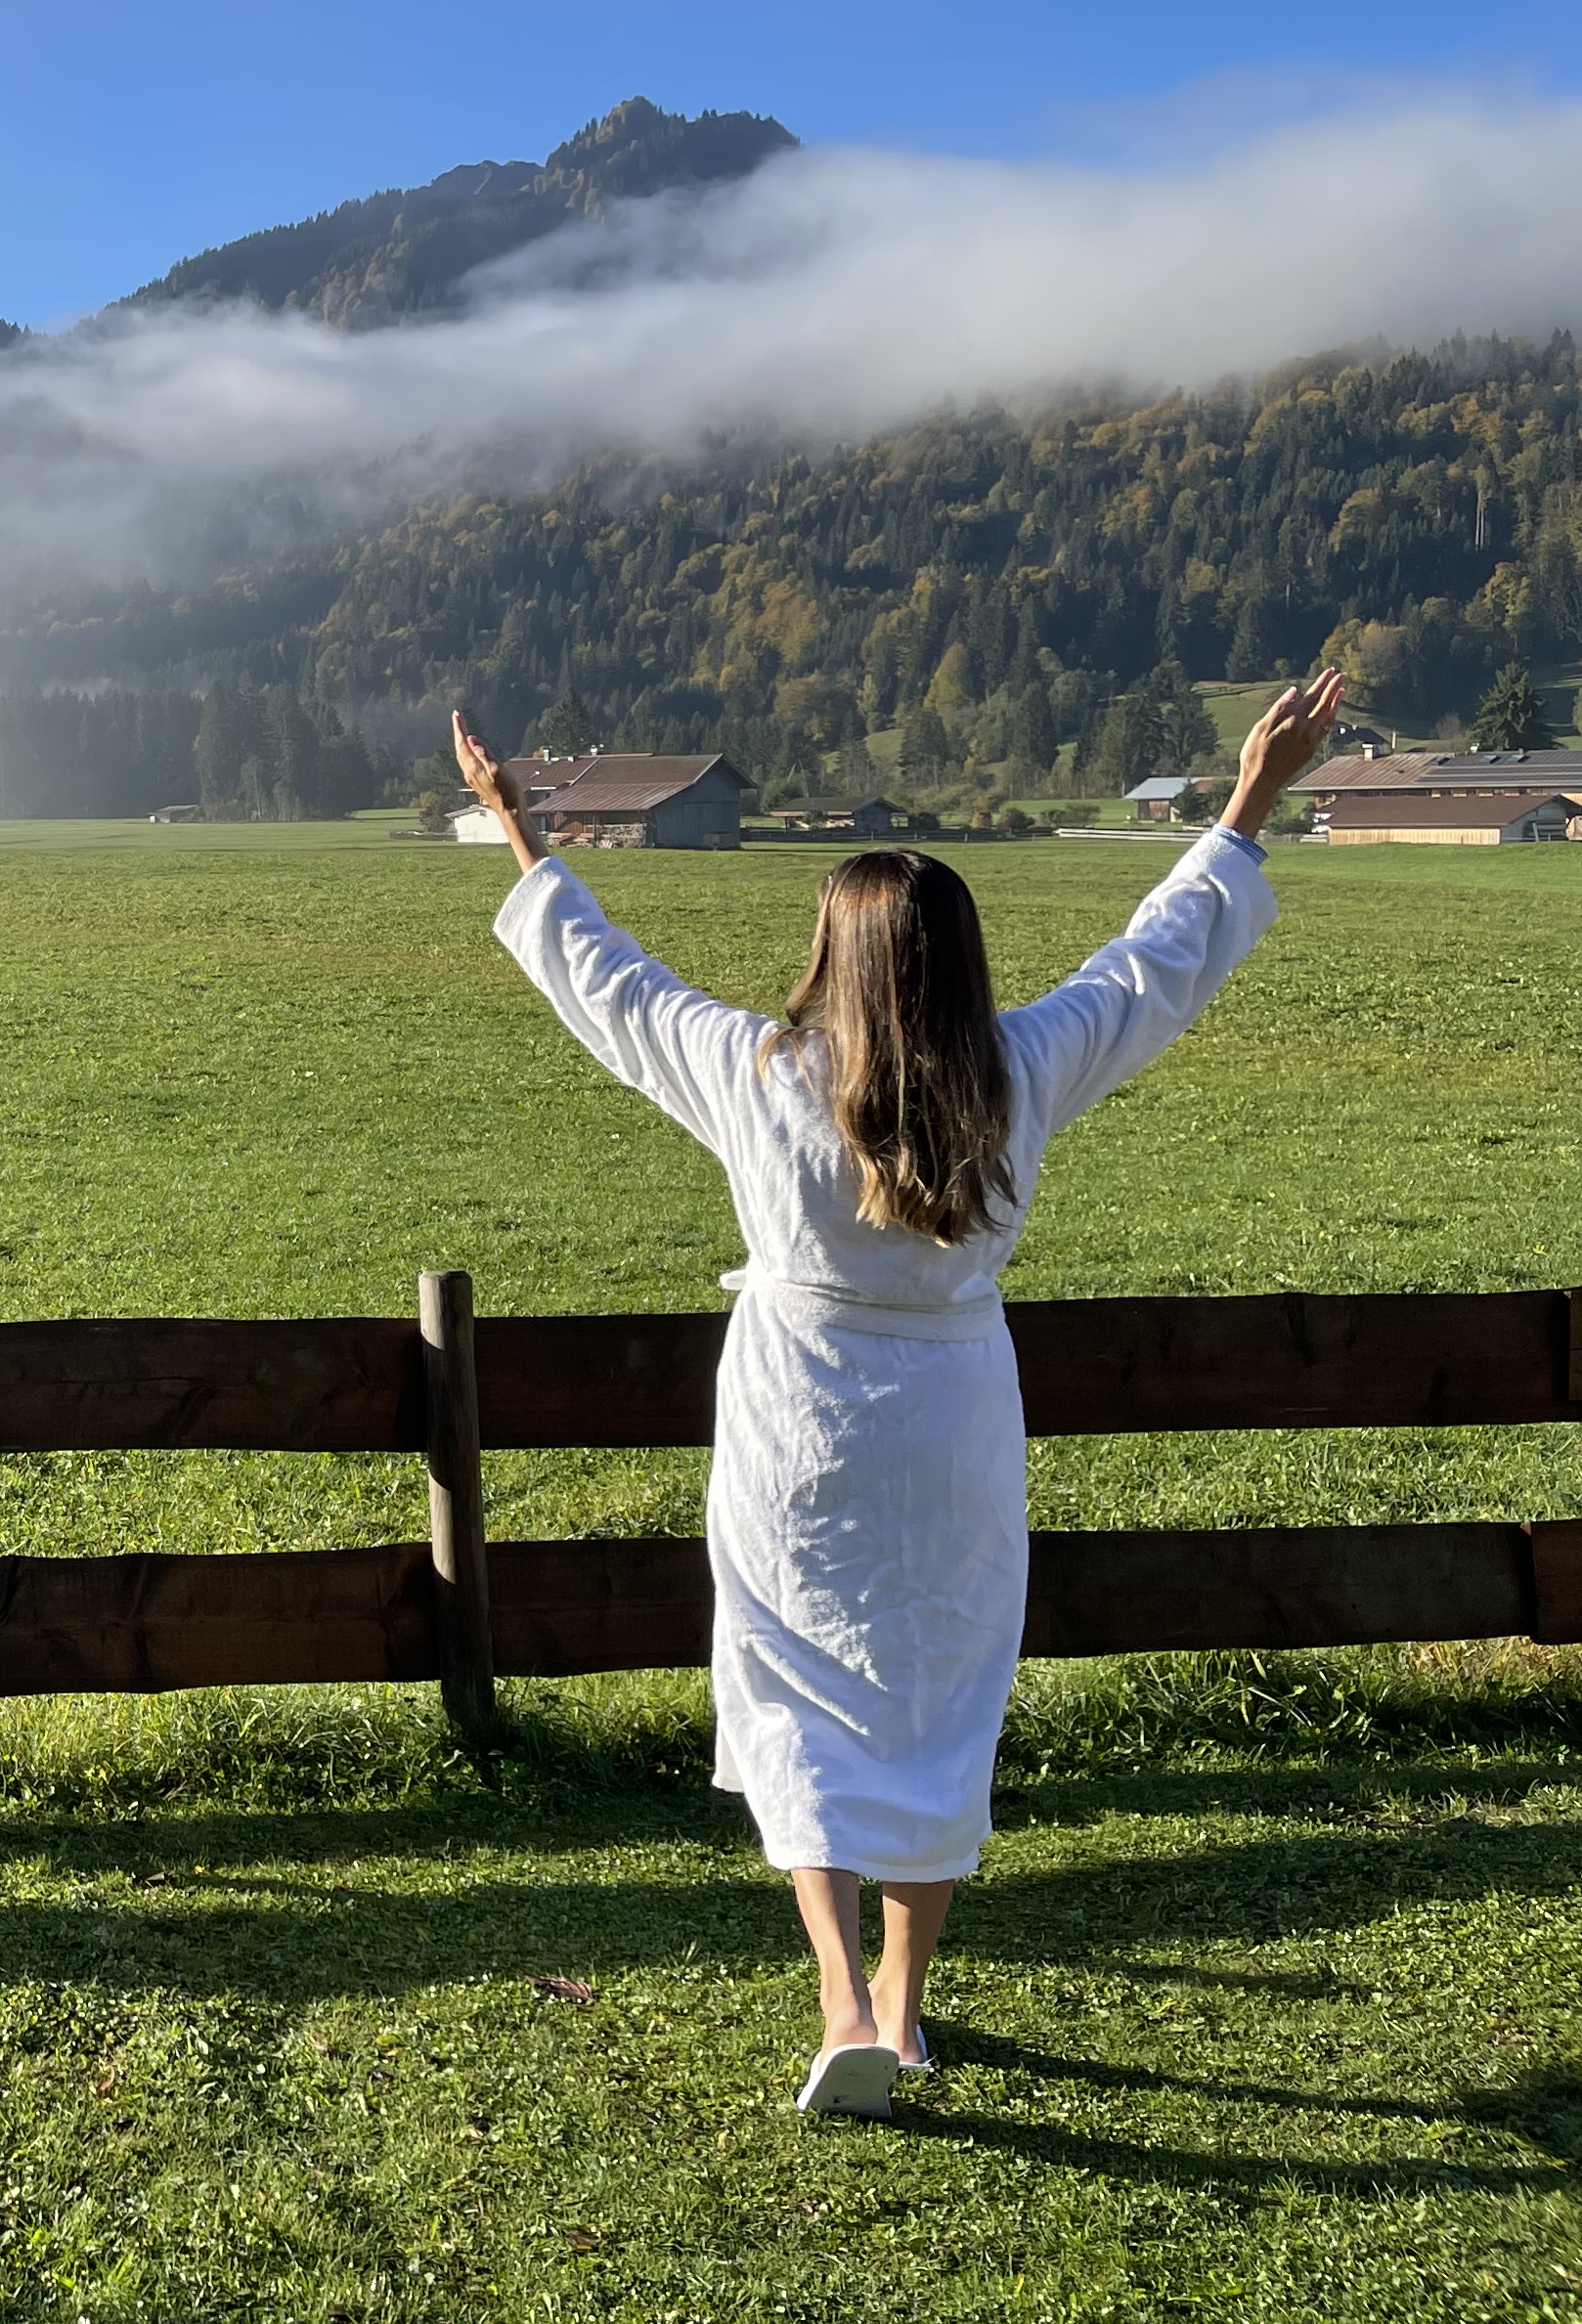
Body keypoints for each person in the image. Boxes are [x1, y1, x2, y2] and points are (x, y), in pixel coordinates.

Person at [452, 674, 1342, 2119]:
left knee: (795, 1692)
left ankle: (839, 1993)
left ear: (837, 955)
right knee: (936, 1702)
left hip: (797, 1426)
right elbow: (1152, 965)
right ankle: (910, 2009)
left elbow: (607, 987)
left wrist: (519, 830)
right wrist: (1247, 801)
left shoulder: (761, 1075)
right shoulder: (1020, 1070)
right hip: (952, 1427)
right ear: (956, 961)